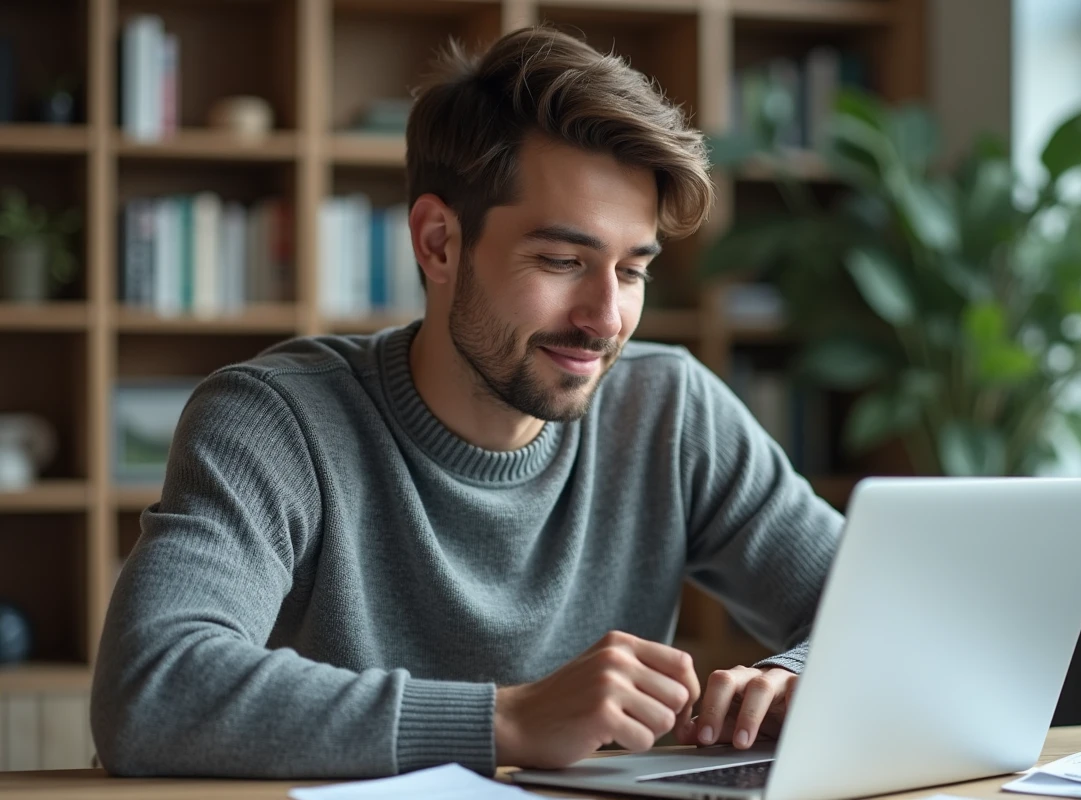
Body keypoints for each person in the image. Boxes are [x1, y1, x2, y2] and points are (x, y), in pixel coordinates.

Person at [90, 25, 843, 779]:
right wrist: (505, 720)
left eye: (632, 271)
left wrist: (791, 679)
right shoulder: (276, 421)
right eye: (561, 260)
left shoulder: (670, 411)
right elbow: (151, 686)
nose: (606, 317)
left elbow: (886, 609)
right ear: (438, 242)